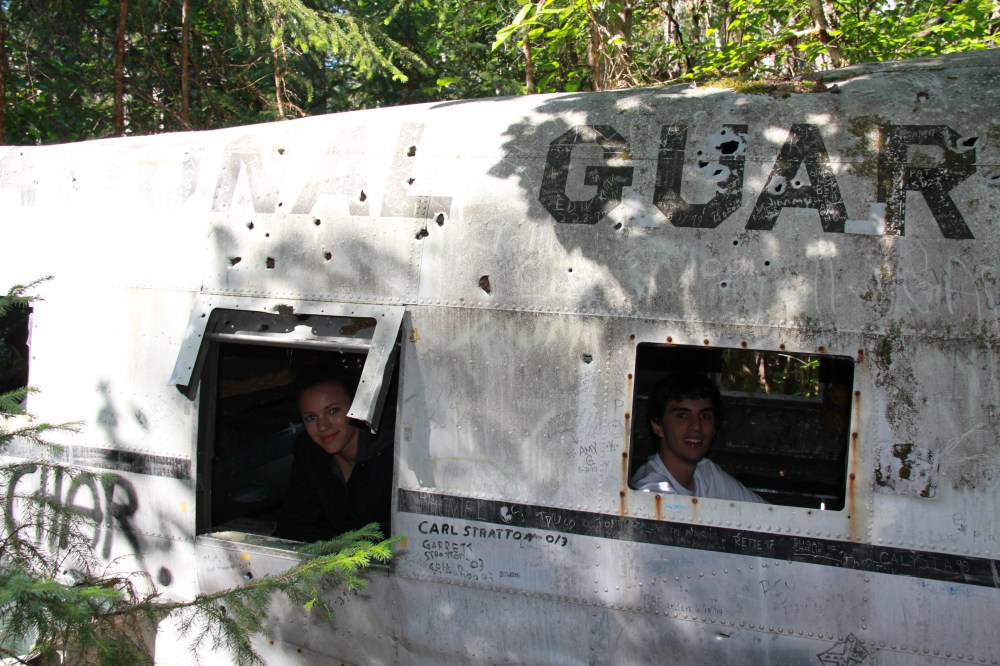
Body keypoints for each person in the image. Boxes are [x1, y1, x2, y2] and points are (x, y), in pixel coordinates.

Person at [275, 366, 394, 542]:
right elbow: (295, 521)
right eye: (311, 417)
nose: (323, 426)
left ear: (358, 408)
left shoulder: (392, 452)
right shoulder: (309, 451)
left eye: (333, 411)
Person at [631, 371, 764, 503]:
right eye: (682, 415)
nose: (696, 426)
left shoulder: (708, 473)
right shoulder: (650, 490)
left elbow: (766, 512)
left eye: (705, 416)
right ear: (658, 426)